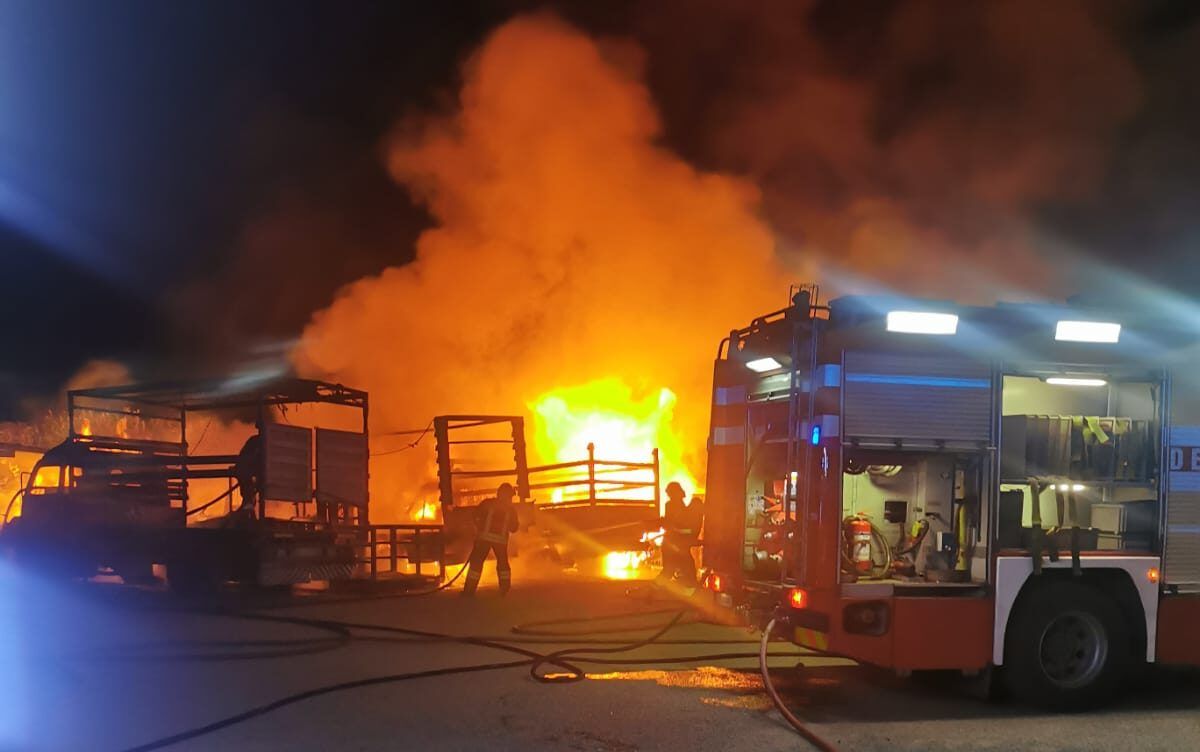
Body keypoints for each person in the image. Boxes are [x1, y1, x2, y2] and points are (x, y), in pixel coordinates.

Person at [462, 482, 520, 596]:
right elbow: (514, 528)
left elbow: (475, 515)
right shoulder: (511, 510)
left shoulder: (488, 503)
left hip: (483, 539)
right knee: (503, 565)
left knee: (476, 564)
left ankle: (469, 591)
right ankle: (504, 590)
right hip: (500, 542)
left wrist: (479, 528)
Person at [659, 481, 703, 589]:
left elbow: (679, 526)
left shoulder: (676, 506)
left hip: (674, 544)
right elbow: (678, 527)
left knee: (676, 570)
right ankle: (652, 591)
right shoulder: (674, 506)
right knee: (672, 570)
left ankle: (689, 589)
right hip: (673, 545)